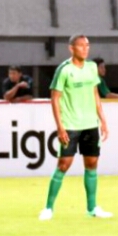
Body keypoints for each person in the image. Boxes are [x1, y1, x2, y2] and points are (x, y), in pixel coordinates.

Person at [40, 34, 112, 221]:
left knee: (92, 164)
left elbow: (95, 93)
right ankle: (48, 208)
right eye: (81, 46)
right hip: (71, 124)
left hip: (90, 125)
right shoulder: (64, 70)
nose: (85, 49)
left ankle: (92, 208)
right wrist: (60, 127)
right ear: (71, 48)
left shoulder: (92, 67)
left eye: (87, 45)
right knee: (64, 165)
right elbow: (54, 99)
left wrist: (102, 120)